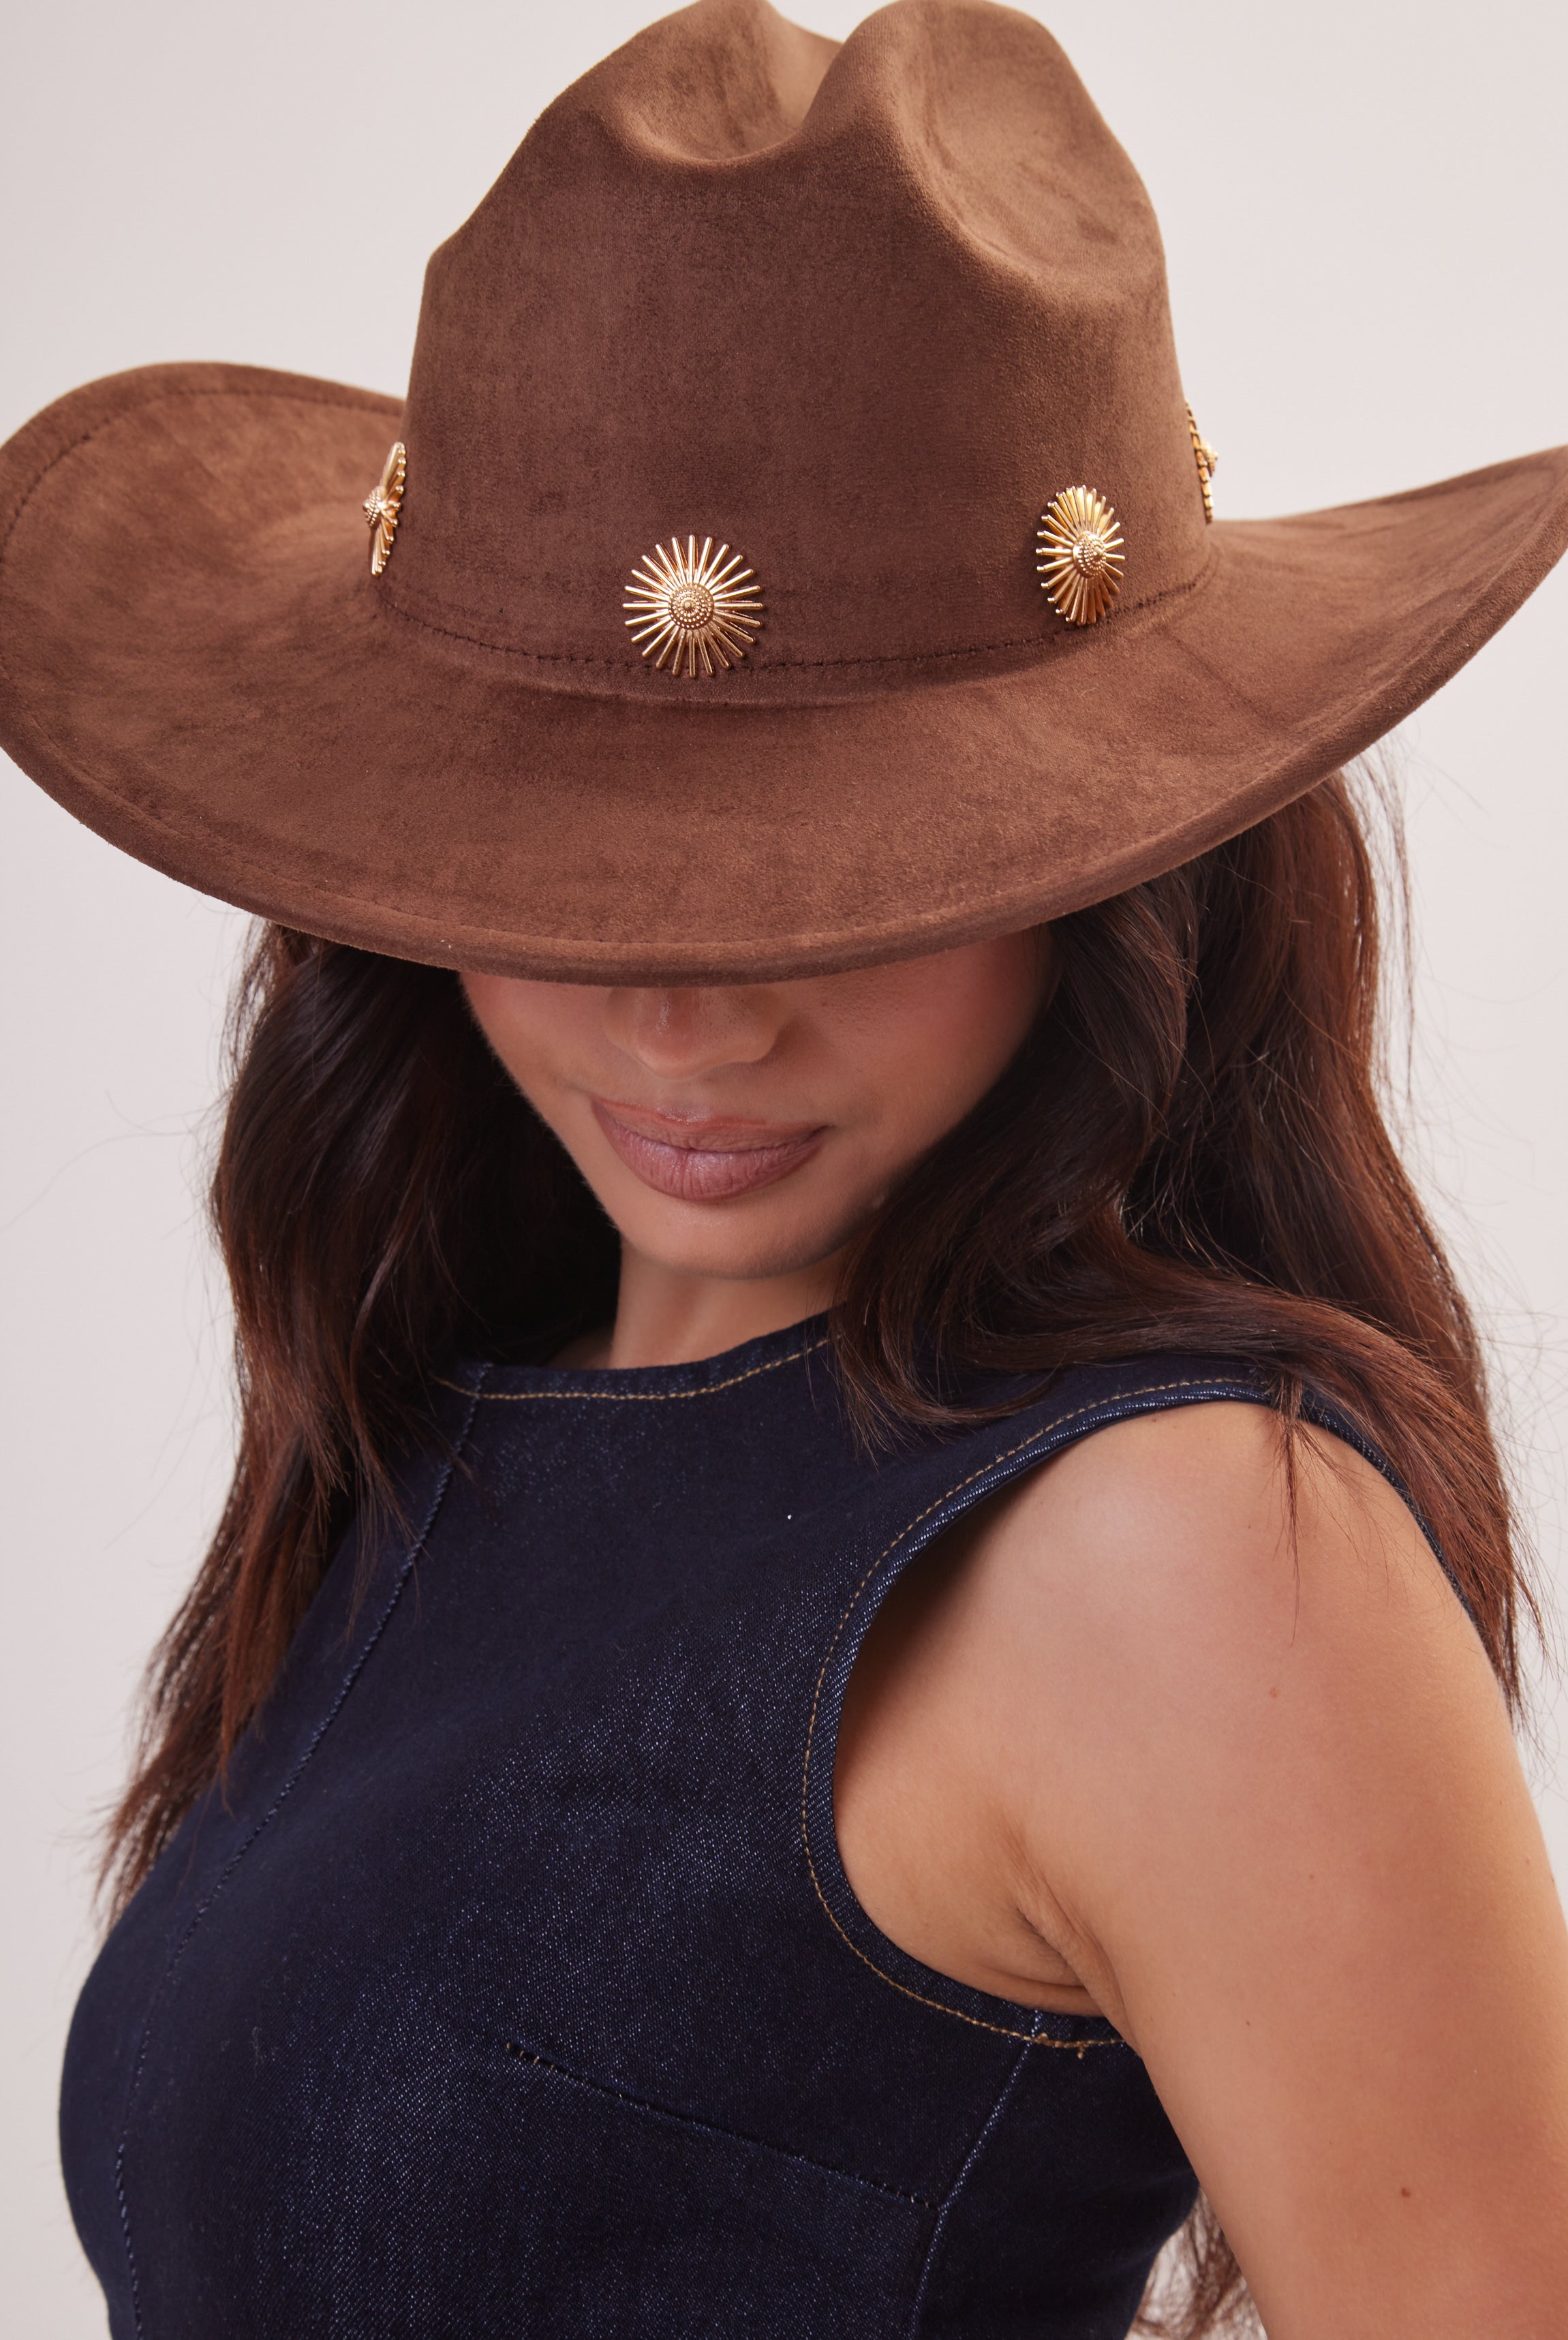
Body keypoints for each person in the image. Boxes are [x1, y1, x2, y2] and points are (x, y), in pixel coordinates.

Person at [2, 0, 1566, 2332]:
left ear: (1106, 881)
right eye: (573, 871)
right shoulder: (450, 1421)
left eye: (842, 885)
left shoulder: (1181, 1554)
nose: (691, 1017)